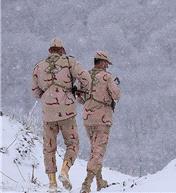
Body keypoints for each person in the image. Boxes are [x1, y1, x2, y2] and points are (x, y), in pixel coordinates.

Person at [32, 38, 91, 192]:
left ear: (50, 50)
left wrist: (47, 96)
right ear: (62, 50)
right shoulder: (69, 62)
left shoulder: (39, 66)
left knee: (49, 147)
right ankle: (64, 171)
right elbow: (86, 77)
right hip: (67, 111)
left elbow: (35, 91)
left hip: (48, 114)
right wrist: (80, 94)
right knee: (73, 144)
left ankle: (52, 183)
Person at [77, 51, 121, 193]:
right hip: (102, 118)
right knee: (98, 151)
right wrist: (115, 85)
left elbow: (80, 99)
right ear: (102, 62)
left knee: (94, 149)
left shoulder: (85, 76)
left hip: (88, 119)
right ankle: (87, 184)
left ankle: (100, 181)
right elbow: (116, 95)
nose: (107, 66)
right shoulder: (107, 77)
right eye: (106, 63)